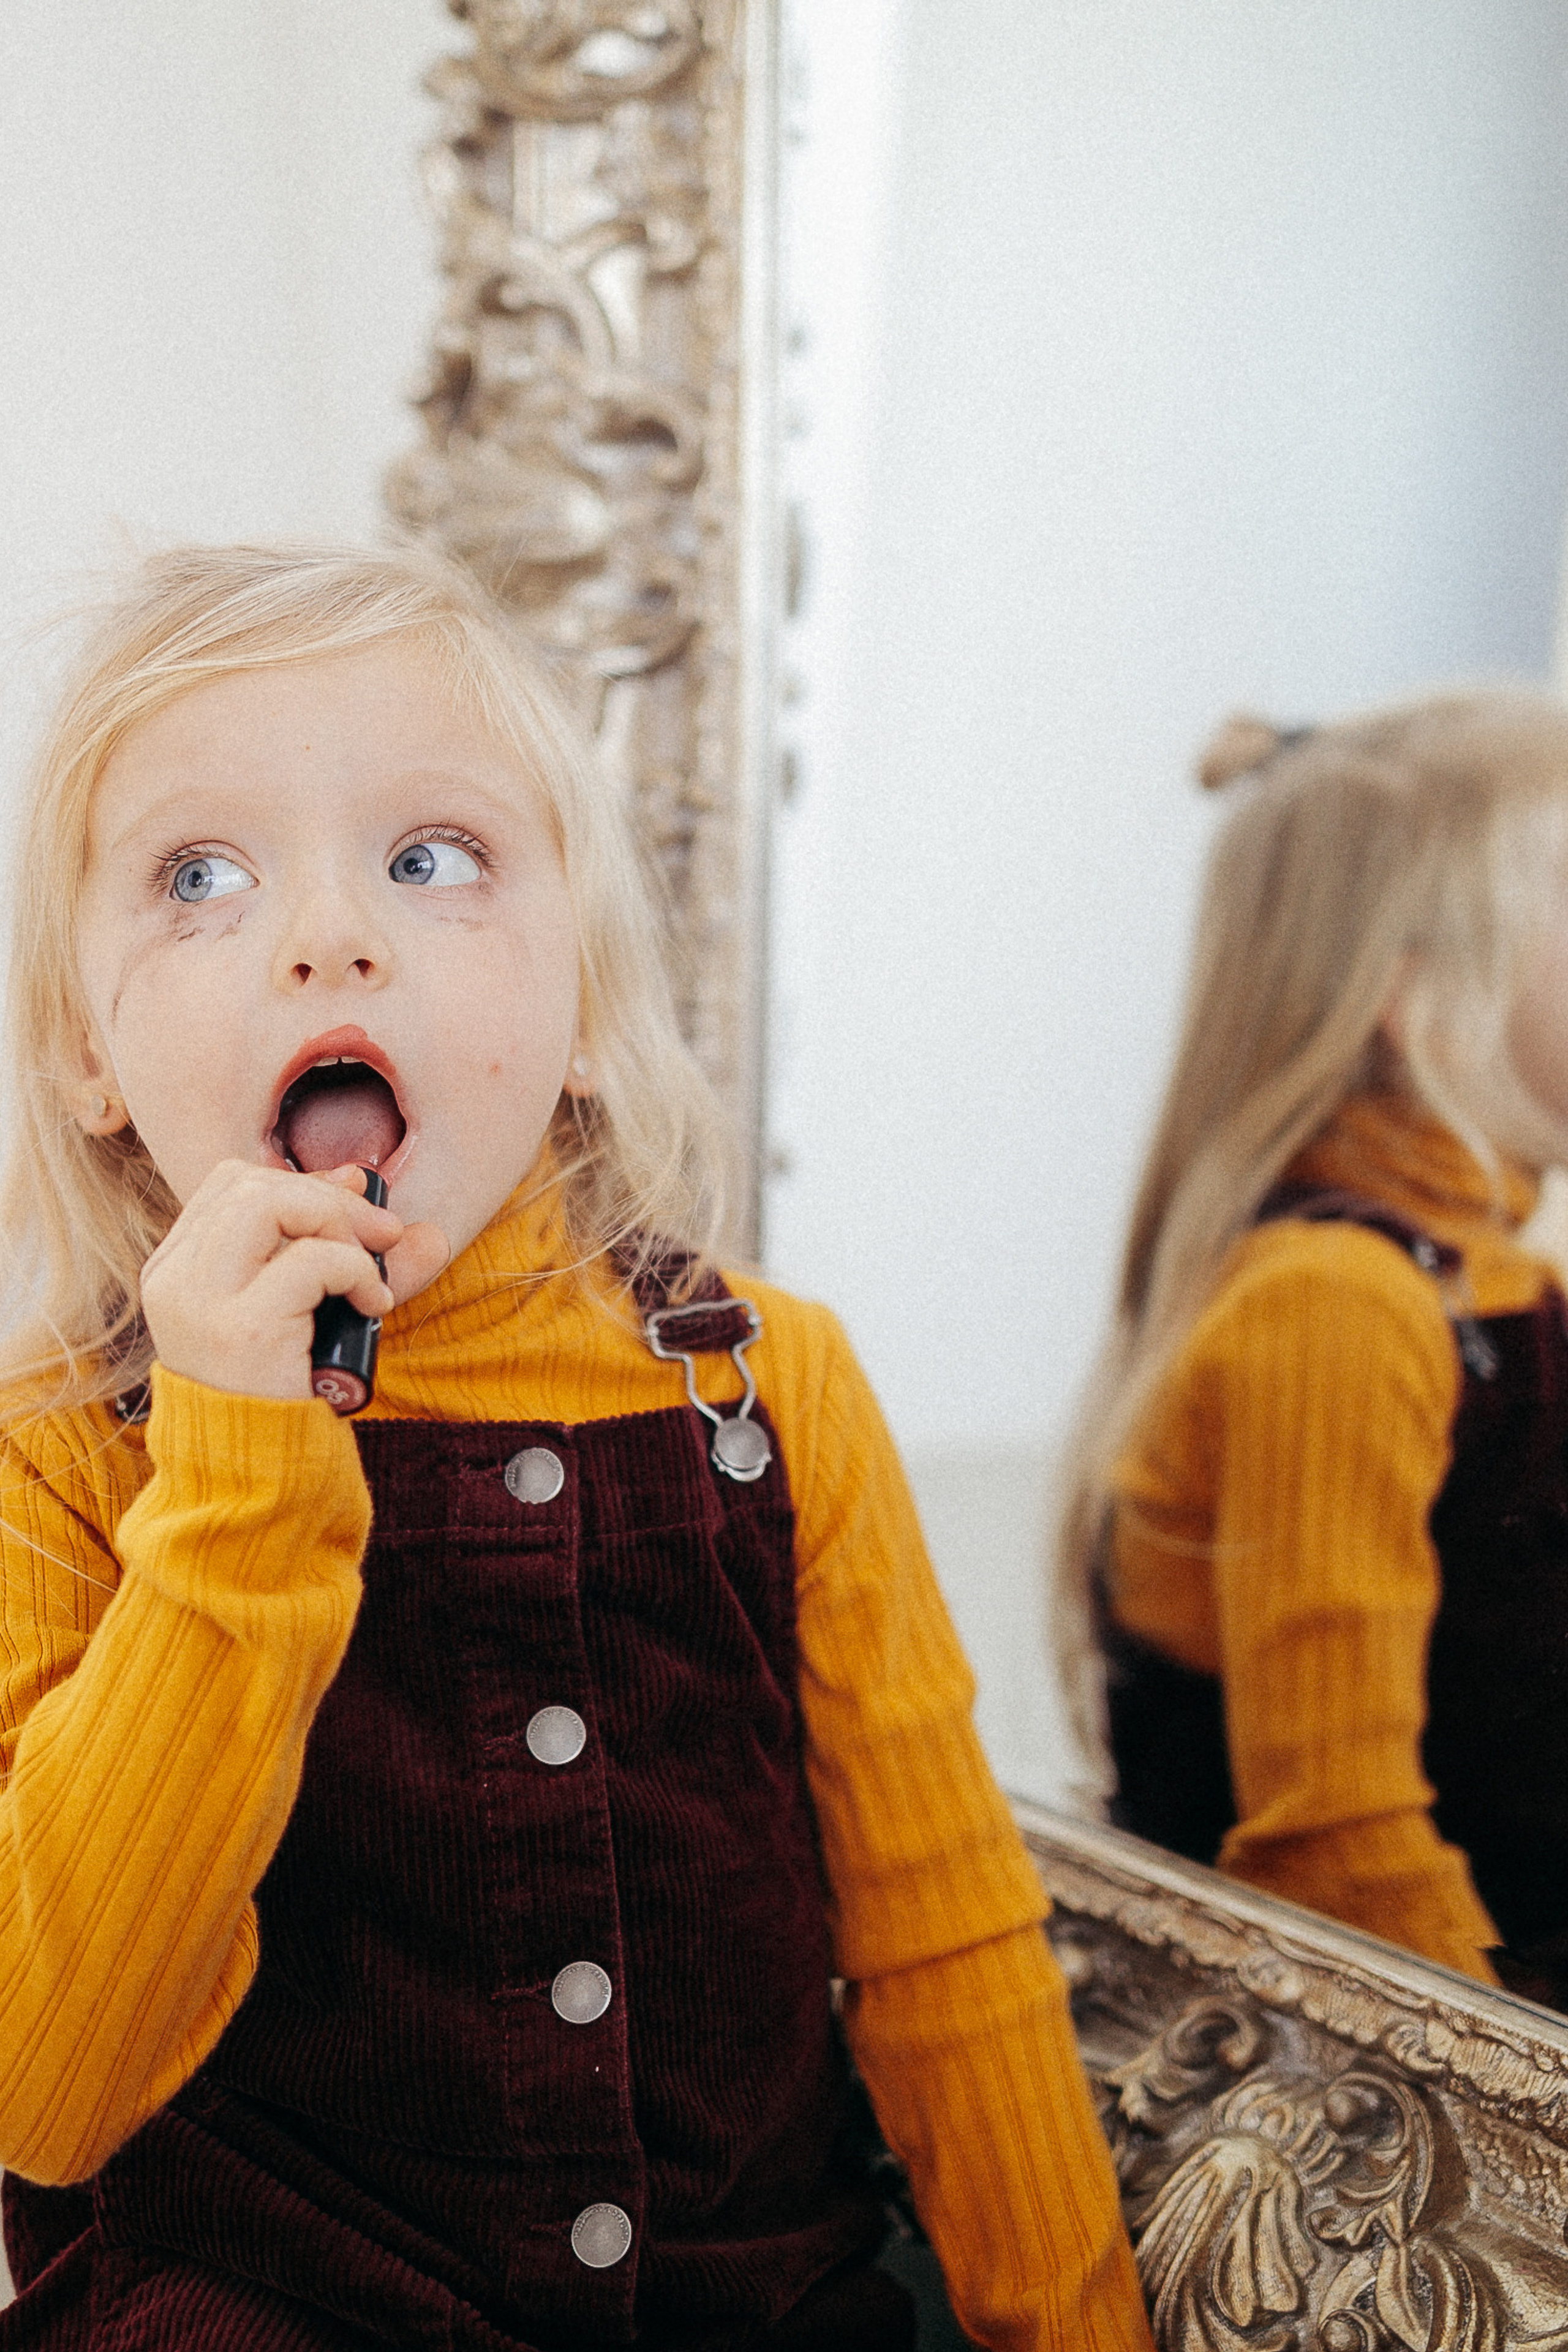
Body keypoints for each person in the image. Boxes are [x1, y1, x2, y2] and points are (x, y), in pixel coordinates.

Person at [0, 543, 1150, 2352]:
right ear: (87, 1051)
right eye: (199, 876)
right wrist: (234, 1468)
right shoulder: (61, 1459)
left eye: (430, 858)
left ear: (590, 1013)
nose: (329, 935)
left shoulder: (775, 1390)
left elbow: (945, 1949)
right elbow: (52, 2088)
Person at [1056, 691, 1568, 2009]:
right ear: (1414, 998)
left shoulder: (1517, 1286)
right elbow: (1337, 1855)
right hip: (1409, 2076)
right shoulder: (1334, 1311)